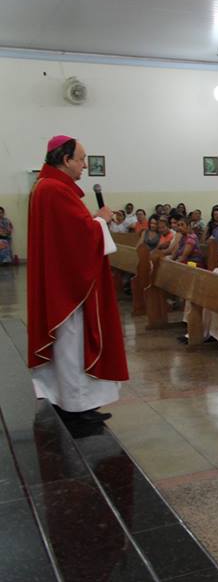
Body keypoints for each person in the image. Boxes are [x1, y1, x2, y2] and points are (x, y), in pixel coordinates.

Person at [28, 135, 128, 423]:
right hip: (68, 288)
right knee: (71, 345)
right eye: (82, 159)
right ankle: (76, 408)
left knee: (68, 345)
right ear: (65, 159)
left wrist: (93, 222)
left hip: (60, 278)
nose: (85, 165)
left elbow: (70, 232)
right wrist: (101, 221)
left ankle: (68, 401)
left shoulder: (46, 186)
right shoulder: (54, 189)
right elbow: (79, 237)